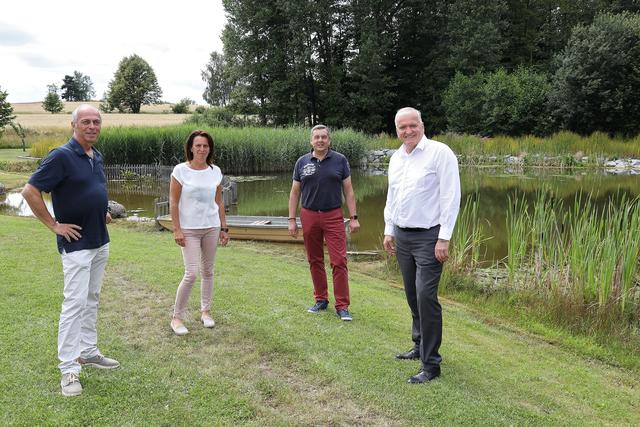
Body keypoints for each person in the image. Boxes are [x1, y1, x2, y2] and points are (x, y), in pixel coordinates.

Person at [21, 104, 119, 397]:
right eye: (86, 121)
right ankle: (68, 370)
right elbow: (30, 191)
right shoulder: (61, 156)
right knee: (74, 303)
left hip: (100, 239)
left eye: (96, 122)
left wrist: (102, 211)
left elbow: (91, 187)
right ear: (73, 125)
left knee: (92, 298)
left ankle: (88, 351)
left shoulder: (95, 155)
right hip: (76, 244)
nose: (92, 126)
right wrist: (54, 225)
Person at [383, 107, 461, 384]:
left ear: (422, 125)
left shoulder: (440, 153)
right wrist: (388, 230)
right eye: (402, 127)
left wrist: (444, 237)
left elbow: (451, 197)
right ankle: (418, 345)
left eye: (412, 125)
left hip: (429, 237)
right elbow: (392, 197)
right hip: (402, 236)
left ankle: (431, 364)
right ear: (397, 130)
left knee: (426, 297)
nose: (407, 131)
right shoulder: (396, 158)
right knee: (412, 296)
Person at [288, 124, 360, 321]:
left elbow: (349, 191)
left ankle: (342, 306)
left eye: (324, 137)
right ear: (311, 141)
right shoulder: (302, 162)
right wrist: (291, 220)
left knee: (339, 260)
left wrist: (353, 218)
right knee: (315, 259)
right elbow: (295, 192)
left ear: (329, 140)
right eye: (316, 137)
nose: (320, 140)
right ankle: (321, 299)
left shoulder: (340, 160)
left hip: (333, 215)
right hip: (309, 215)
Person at [169, 130, 230, 336]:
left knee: (208, 271)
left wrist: (224, 227)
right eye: (198, 145)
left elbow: (219, 201)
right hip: (189, 229)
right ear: (191, 148)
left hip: (211, 227)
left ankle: (205, 311)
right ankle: (177, 317)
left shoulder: (215, 171)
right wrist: (176, 228)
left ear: (209, 148)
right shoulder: (180, 171)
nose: (202, 149)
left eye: (205, 146)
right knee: (191, 273)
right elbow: (174, 202)